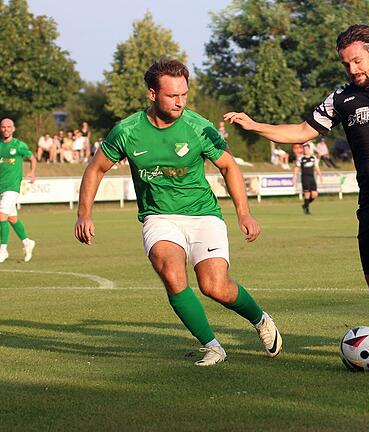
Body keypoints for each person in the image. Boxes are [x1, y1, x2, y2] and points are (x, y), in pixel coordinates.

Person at [225, 24, 369, 367]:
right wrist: (256, 125)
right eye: (346, 64)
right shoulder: (342, 97)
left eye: (358, 61)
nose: (353, 69)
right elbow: (303, 130)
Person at [74, 59, 282, 367]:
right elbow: (95, 169)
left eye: (184, 94)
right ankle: (212, 346)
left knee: (214, 286)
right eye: (173, 96)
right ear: (152, 94)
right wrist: (84, 214)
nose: (180, 102)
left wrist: (244, 213)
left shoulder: (198, 127)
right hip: (159, 217)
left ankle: (260, 319)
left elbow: (228, 165)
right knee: (172, 274)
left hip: (203, 215)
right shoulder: (127, 131)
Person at [0, 118, 37, 263]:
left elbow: (32, 158)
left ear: (13, 129)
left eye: (9, 127)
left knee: (1, 215)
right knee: (11, 218)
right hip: (1, 188)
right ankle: (27, 242)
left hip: (12, 187)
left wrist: (32, 172)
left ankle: (3, 250)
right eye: (3, 127)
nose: (6, 129)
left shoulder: (19, 145)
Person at [294, 142, 321, 214]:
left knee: (315, 195)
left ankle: (305, 205)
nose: (306, 150)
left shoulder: (313, 157)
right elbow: (297, 168)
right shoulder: (301, 158)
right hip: (305, 178)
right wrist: (294, 177)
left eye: (307, 149)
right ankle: (307, 210)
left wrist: (320, 175)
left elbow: (316, 167)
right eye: (304, 149)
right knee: (307, 194)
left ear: (309, 149)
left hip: (312, 177)